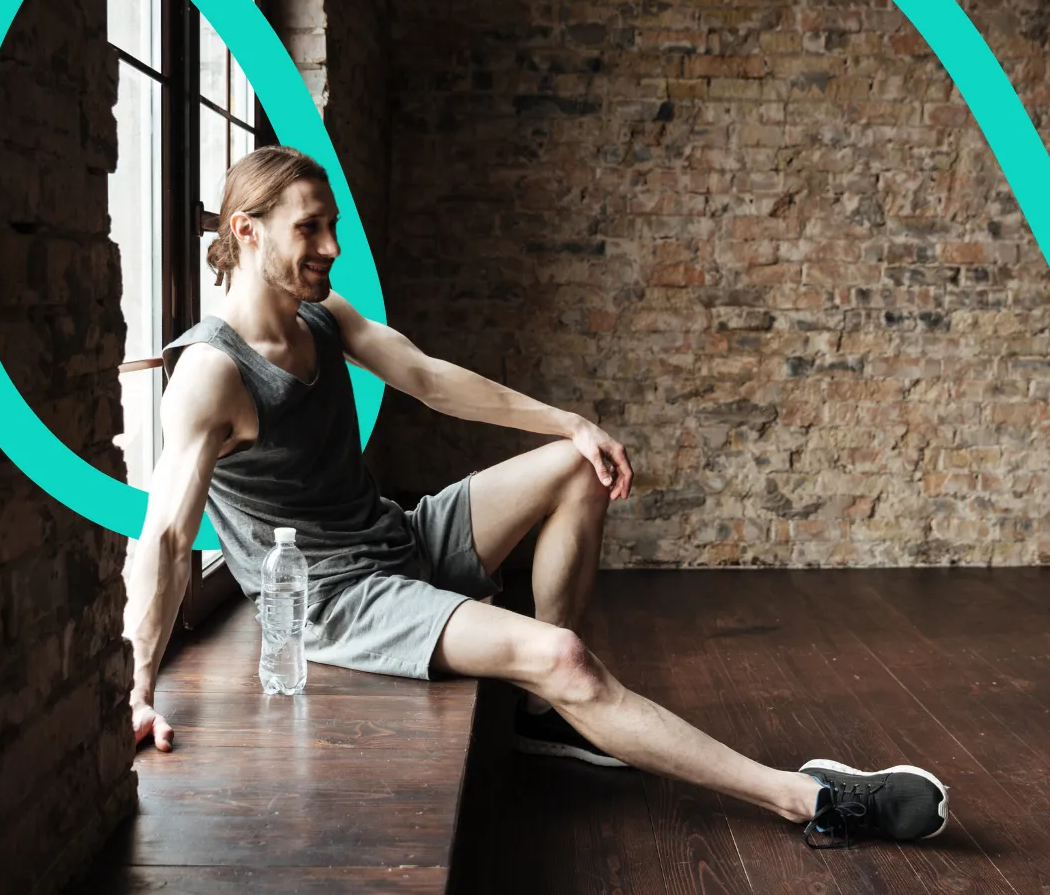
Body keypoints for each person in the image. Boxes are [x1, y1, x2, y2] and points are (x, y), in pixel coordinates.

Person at [121, 145, 950, 848]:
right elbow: (163, 541)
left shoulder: (317, 315)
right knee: (564, 660)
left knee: (575, 464)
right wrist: (137, 687)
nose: (332, 246)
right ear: (246, 231)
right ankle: (808, 799)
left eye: (331, 225)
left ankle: (552, 714)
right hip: (339, 598)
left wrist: (572, 422)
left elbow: (428, 378)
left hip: (398, 538)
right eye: (311, 228)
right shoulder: (214, 373)